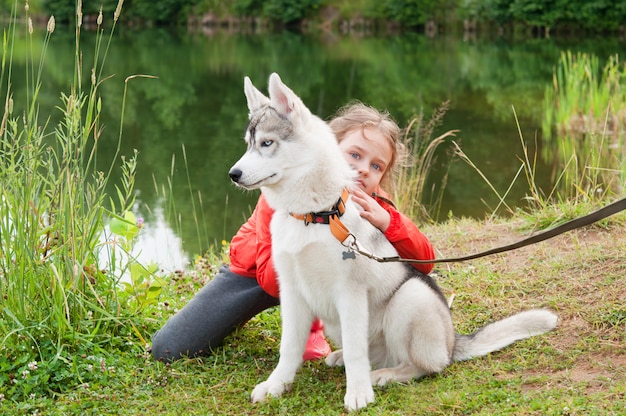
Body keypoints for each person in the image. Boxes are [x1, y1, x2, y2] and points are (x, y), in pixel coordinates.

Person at [150, 102, 435, 362]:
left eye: (376, 166)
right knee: (170, 347)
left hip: (329, 282)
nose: (363, 170)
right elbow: (272, 282)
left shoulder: (369, 202)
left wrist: (388, 222)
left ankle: (326, 330)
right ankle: (269, 321)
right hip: (257, 276)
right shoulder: (282, 190)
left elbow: (425, 260)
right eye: (355, 155)